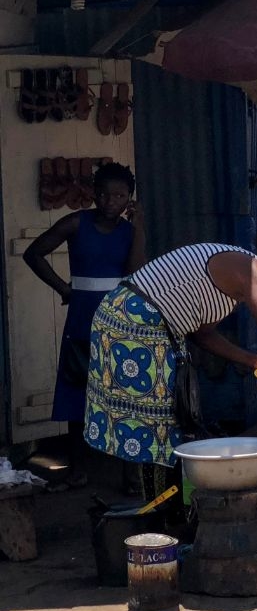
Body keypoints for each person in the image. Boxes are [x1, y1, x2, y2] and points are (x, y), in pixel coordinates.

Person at [83, 233, 257, 498]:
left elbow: (202, 334)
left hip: (135, 320)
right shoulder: (252, 273)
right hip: (133, 323)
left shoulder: (237, 278)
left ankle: (160, 499)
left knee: (163, 417)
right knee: (149, 419)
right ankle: (151, 506)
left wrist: (253, 361)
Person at [24, 162, 146, 487]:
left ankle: (130, 473)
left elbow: (135, 274)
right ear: (94, 193)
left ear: (129, 199)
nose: (110, 201)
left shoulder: (130, 231)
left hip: (120, 319)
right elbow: (33, 253)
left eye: (119, 196)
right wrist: (64, 288)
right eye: (104, 194)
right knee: (80, 390)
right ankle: (78, 470)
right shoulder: (76, 223)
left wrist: (140, 226)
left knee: (124, 393)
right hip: (81, 319)